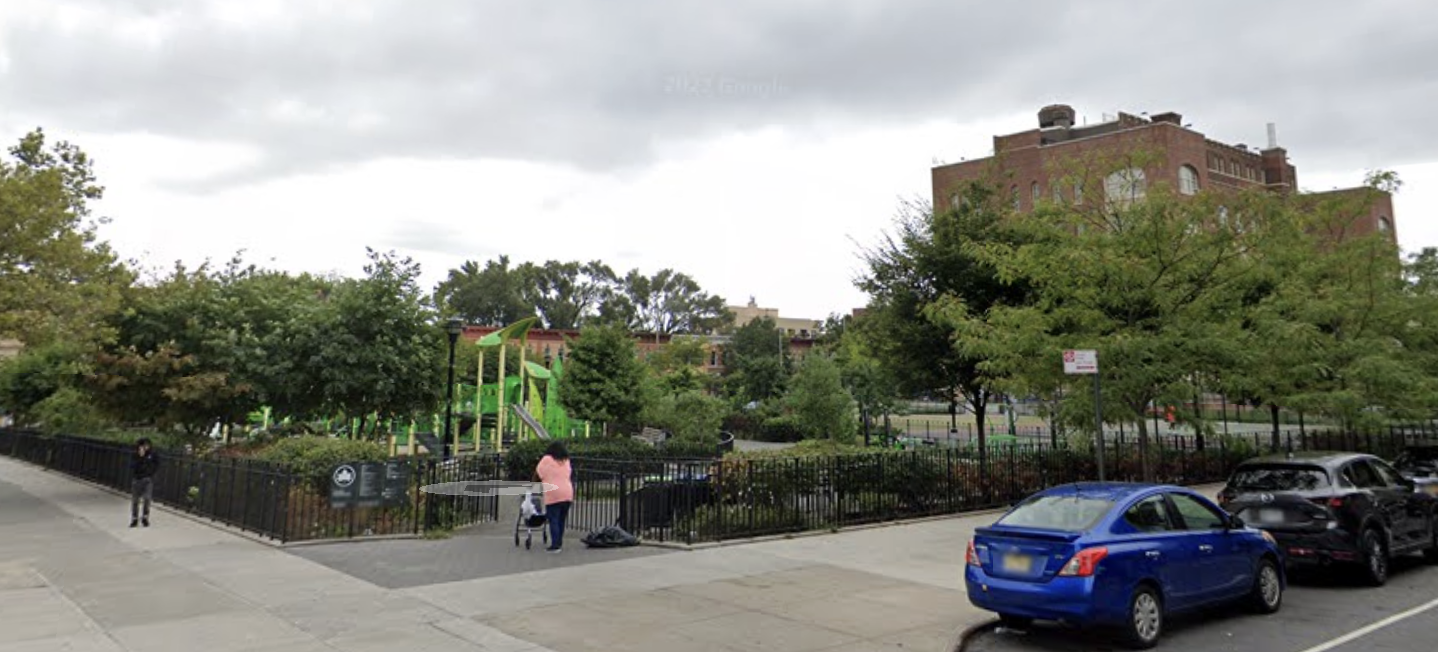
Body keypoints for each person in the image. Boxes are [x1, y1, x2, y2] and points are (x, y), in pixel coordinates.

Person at [534, 440, 573, 553]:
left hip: (553, 493)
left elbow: (539, 472)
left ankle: (555, 545)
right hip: (567, 492)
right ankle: (559, 542)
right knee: (561, 519)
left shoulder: (546, 459)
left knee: (553, 519)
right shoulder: (566, 461)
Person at [130, 438, 159, 527]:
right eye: (143, 445)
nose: (145, 447)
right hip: (137, 480)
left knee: (147, 499)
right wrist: (141, 457)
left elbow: (157, 464)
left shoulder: (152, 454)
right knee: (135, 501)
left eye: (147, 445)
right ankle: (134, 518)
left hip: (147, 480)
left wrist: (151, 473)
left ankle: (145, 517)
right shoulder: (135, 455)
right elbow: (133, 467)